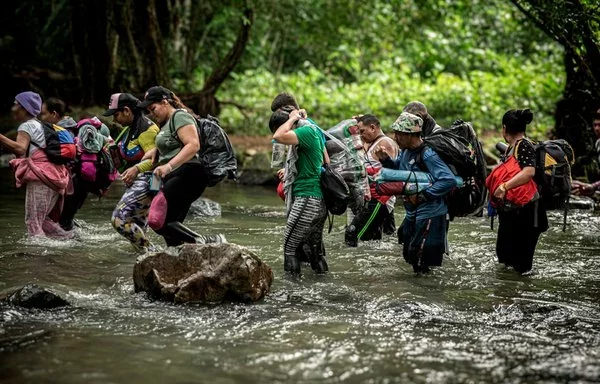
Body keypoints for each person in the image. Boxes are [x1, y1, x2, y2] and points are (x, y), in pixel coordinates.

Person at [140, 86, 225, 247]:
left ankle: (208, 242)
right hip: (176, 174)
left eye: (153, 108)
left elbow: (193, 145)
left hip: (190, 173)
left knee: (156, 219)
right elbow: (173, 144)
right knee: (169, 225)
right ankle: (179, 256)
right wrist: (156, 151)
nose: (152, 113)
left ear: (165, 102)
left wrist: (168, 166)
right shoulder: (167, 123)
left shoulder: (179, 116)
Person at [375, 112, 456, 274]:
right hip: (413, 213)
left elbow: (449, 180)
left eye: (399, 134)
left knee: (420, 258)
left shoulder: (428, 154)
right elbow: (400, 169)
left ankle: (428, 295)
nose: (395, 138)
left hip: (430, 214)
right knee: (410, 254)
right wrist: (385, 160)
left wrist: (423, 195)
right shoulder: (406, 151)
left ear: (411, 135)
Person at [0, 91, 73, 239]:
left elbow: (20, 149)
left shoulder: (26, 126)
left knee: (33, 222)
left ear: (24, 108)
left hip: (41, 177)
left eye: (15, 104)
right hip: (55, 177)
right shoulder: (41, 125)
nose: (12, 108)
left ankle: (37, 257)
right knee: (43, 220)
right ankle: (72, 240)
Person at [269, 107, 328, 276]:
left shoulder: (306, 131)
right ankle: (322, 283)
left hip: (307, 199)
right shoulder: (311, 131)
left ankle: (292, 293)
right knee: (314, 251)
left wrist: (290, 119)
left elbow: (278, 136)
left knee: (290, 248)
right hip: (317, 201)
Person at [491, 109, 548, 275]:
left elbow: (529, 172)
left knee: (522, 266)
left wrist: (504, 187)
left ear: (504, 128)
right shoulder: (512, 148)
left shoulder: (523, 145)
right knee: (506, 257)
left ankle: (522, 296)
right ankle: (512, 292)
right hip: (515, 211)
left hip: (528, 213)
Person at [103, 93, 160, 251]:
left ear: (127, 111)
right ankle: (147, 259)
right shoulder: (130, 128)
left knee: (118, 219)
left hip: (148, 181)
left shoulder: (147, 130)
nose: (114, 120)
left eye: (116, 115)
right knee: (137, 227)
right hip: (136, 183)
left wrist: (136, 169)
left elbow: (156, 160)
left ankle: (153, 252)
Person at [345, 114, 399, 246]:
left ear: (373, 127)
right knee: (373, 242)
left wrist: (382, 199)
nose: (361, 135)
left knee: (354, 234)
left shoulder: (385, 143)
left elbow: (394, 173)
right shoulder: (372, 143)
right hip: (372, 198)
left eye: (362, 131)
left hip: (379, 199)